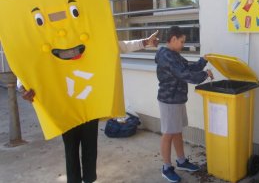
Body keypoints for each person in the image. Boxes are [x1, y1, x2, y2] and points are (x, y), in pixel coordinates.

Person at [19, 31, 159, 183]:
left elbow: (116, 46)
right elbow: (30, 63)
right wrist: (22, 87)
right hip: (66, 107)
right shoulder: (49, 42)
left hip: (89, 105)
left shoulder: (88, 39)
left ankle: (89, 179)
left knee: (90, 147)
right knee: (71, 149)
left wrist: (145, 42)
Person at [155, 26, 213, 183]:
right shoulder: (167, 57)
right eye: (181, 41)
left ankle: (181, 161)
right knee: (168, 134)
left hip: (177, 99)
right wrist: (204, 74)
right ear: (173, 39)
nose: (183, 45)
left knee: (177, 131)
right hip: (169, 100)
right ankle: (166, 168)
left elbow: (187, 67)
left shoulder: (174, 55)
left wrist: (203, 60)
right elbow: (185, 75)